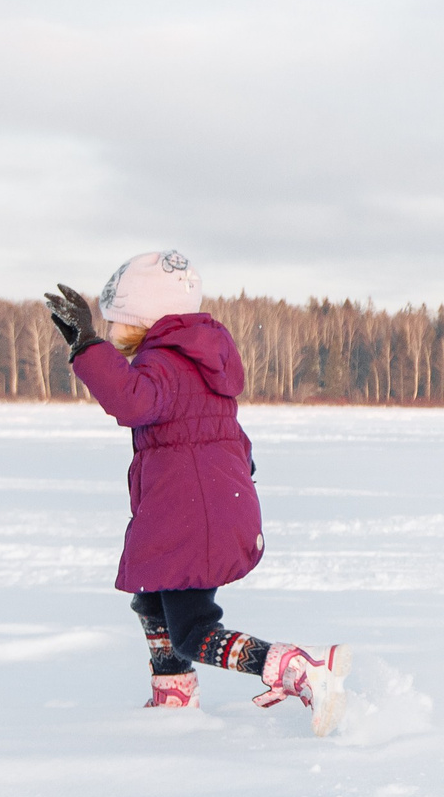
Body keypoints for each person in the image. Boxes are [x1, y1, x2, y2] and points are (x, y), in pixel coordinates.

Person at [45, 251, 350, 734]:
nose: (112, 329)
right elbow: (223, 433)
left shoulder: (164, 363)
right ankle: (173, 698)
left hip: (193, 515)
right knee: (153, 598)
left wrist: (85, 346)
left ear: (143, 318)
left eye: (116, 320)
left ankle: (296, 668)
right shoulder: (198, 359)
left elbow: (130, 400)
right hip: (203, 506)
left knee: (192, 630)